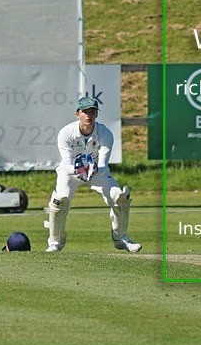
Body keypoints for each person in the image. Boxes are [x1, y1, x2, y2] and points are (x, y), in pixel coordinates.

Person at [45, 96, 141, 253]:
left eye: (92, 112)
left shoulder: (105, 133)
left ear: (97, 114)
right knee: (59, 202)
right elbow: (67, 165)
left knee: (119, 198)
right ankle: (55, 243)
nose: (89, 115)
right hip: (71, 173)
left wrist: (91, 169)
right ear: (78, 114)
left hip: (96, 172)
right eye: (85, 112)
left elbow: (102, 166)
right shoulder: (66, 133)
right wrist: (80, 170)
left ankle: (121, 238)